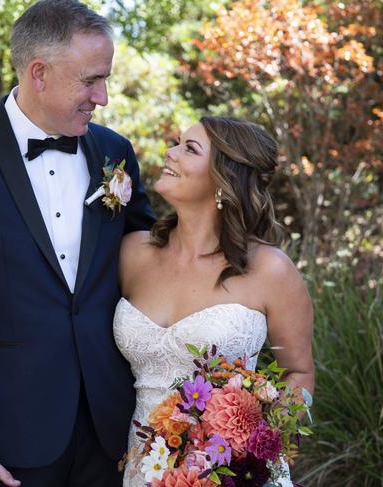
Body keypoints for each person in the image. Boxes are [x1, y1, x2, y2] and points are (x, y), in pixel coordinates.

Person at [0, 1, 155, 486]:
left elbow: (152, 260)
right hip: (9, 439)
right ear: (39, 73)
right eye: (90, 80)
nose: (103, 97)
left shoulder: (115, 152)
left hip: (114, 431)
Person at [113, 117, 315, 486]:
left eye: (189, 149)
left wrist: (247, 446)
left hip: (229, 473)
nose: (169, 153)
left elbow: (298, 373)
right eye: (176, 142)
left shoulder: (270, 270)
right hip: (145, 465)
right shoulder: (133, 254)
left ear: (225, 178)